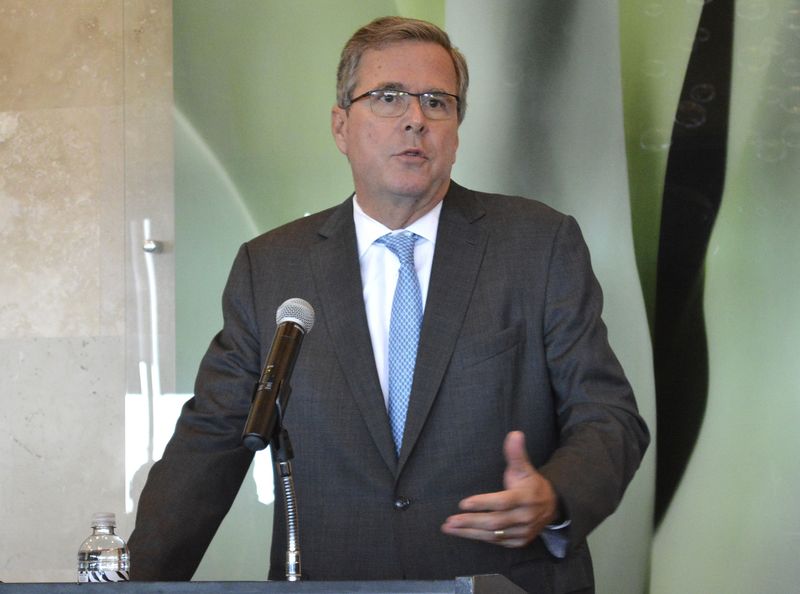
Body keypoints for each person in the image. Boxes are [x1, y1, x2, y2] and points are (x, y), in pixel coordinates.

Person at [129, 16, 649, 593]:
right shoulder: (273, 266)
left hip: (503, 580)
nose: (414, 118)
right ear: (340, 126)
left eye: (437, 101)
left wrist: (554, 496)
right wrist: (133, 583)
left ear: (455, 130)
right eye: (388, 96)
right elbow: (210, 445)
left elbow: (609, 416)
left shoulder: (537, 245)